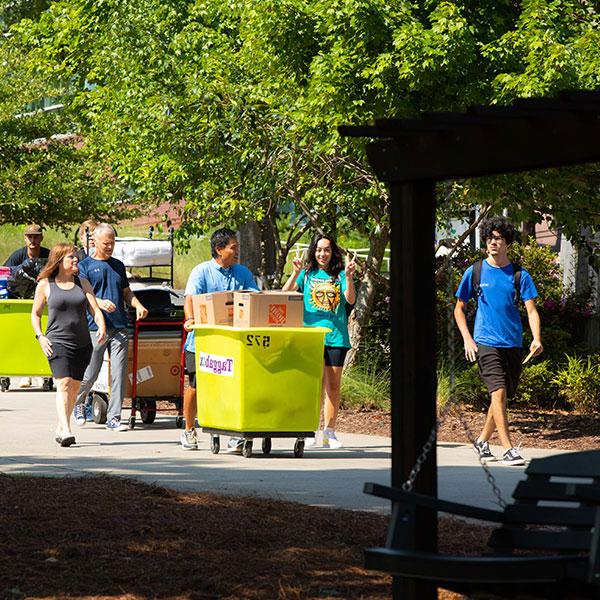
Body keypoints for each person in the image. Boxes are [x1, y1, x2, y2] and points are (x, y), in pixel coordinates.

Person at [454, 216, 543, 466]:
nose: (493, 242)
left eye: (498, 238)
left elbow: (532, 310)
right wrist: (467, 340)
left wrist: (536, 338)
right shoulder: (475, 271)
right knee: (499, 392)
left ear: (507, 243)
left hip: (513, 343)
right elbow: (459, 309)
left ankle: (482, 441)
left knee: (502, 397)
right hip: (485, 342)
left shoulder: (519, 275)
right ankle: (507, 449)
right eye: (490, 238)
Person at [181, 227, 259, 451]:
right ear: (219, 249)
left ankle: (234, 434)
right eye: (234, 247)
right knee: (196, 387)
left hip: (232, 344)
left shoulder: (243, 272)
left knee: (233, 388)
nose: (237, 252)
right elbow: (190, 299)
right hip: (201, 342)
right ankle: (188, 430)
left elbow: (253, 299)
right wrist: (191, 319)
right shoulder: (201, 271)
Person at [282, 233, 356, 449]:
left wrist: (350, 278)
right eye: (319, 249)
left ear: (333, 253)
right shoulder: (306, 274)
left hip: (335, 336)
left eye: (327, 250)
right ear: (313, 252)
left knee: (333, 386)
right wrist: (295, 274)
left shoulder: (341, 275)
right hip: (310, 337)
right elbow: (284, 294)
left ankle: (329, 433)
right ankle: (309, 429)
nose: (322, 253)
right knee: (312, 386)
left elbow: (351, 299)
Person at [72, 223, 148, 431]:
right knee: (91, 372)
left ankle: (114, 418)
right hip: (95, 328)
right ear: (94, 241)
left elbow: (126, 292)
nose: (109, 247)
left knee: (119, 373)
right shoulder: (84, 266)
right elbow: (83, 296)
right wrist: (99, 302)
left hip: (120, 326)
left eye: (113, 243)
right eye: (106, 243)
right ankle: (78, 402)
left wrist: (138, 304)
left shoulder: (118, 265)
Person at [31, 243, 106, 446]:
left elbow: (95, 310)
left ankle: (61, 424)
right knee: (63, 384)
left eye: (75, 257)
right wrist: (40, 336)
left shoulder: (82, 283)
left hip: (82, 344)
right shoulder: (46, 284)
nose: (75, 260)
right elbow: (35, 314)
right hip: (57, 342)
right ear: (59, 261)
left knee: (74, 387)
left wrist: (101, 325)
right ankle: (65, 429)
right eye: (71, 257)